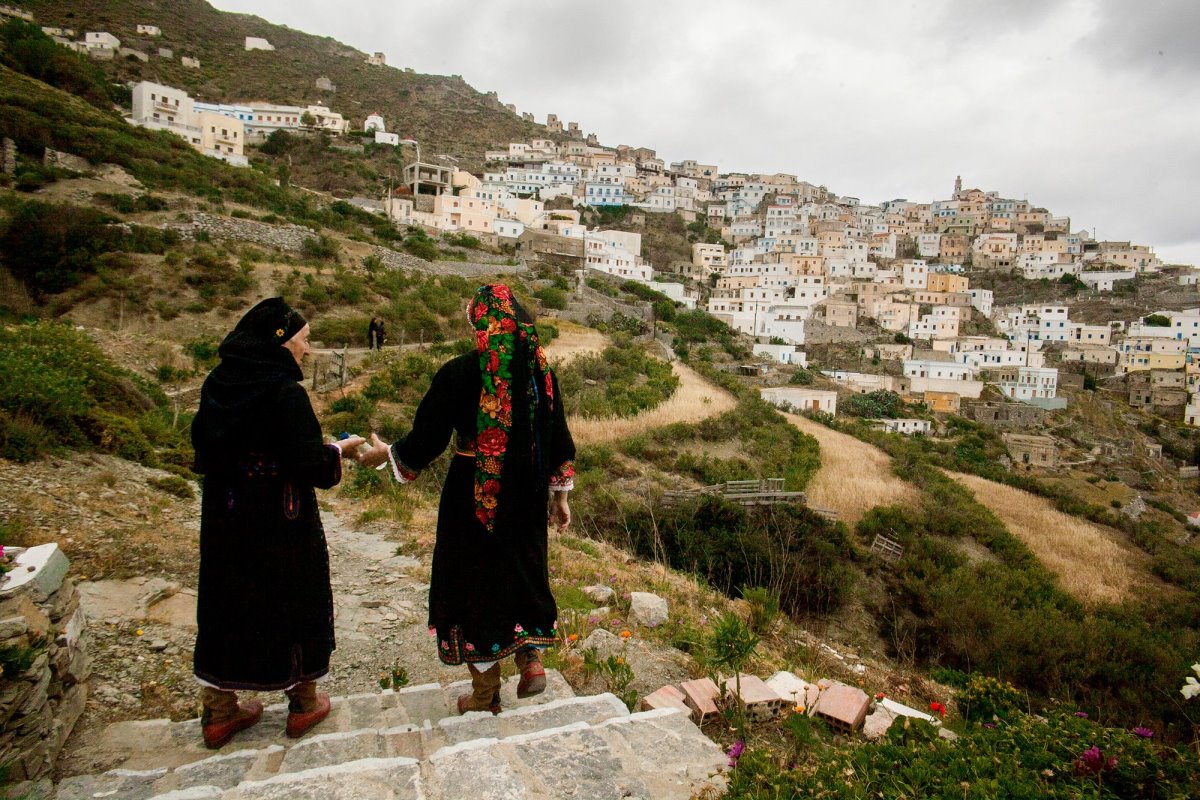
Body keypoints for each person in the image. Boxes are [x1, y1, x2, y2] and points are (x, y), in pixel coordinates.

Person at [357, 284, 574, 714]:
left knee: (472, 583)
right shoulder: (541, 375)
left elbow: (425, 440)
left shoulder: (458, 373)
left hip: (473, 495)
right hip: (528, 492)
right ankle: (530, 656)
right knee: (523, 570)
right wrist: (559, 497)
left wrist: (388, 455)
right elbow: (558, 438)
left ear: (481, 325)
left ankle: (483, 696)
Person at [190, 297, 364, 749]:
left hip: (227, 517)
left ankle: (221, 711)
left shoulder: (219, 383)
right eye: (304, 341)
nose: (308, 350)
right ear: (281, 341)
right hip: (280, 519)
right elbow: (309, 464)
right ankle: (304, 703)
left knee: (227, 601)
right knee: (291, 597)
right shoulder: (285, 392)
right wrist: (339, 452)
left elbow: (205, 450)